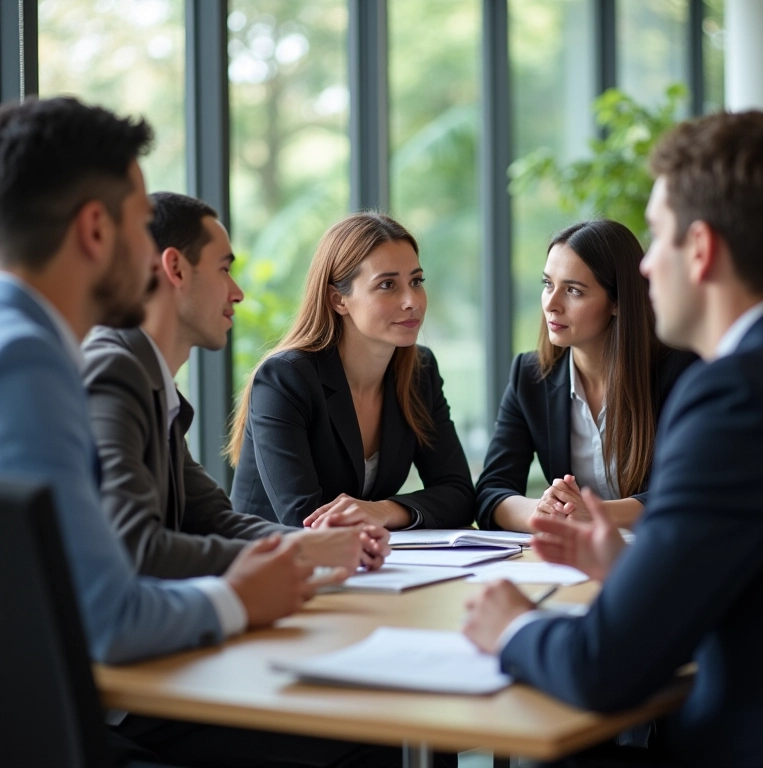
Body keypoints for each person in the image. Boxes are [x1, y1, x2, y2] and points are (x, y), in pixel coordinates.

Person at [0, 96, 405, 768]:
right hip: (76, 727)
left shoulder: (41, 350)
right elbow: (108, 613)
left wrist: (302, 550)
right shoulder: (31, 362)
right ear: (96, 230)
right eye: (140, 224)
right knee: (360, 736)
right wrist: (239, 598)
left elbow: (199, 519)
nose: (151, 254)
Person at [463, 109, 763, 768]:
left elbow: (601, 666)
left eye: (657, 237)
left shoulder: (733, 395)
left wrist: (512, 626)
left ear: (701, 249)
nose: (648, 267)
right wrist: (629, 566)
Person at [82, 191, 389, 579]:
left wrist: (318, 543)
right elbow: (136, 548)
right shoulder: (115, 372)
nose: (237, 293)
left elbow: (214, 519)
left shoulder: (151, 381)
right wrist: (304, 551)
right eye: (224, 269)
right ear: (176, 269)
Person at [227, 211, 475, 530]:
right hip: (268, 555)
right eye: (387, 285)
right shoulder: (285, 379)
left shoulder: (419, 372)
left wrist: (384, 510)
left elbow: (459, 494)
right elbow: (304, 520)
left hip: (362, 554)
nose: (411, 301)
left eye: (416, 281)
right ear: (338, 300)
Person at [476, 219, 694, 533]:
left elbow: (690, 490)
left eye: (573, 291)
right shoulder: (530, 376)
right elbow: (490, 492)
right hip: (578, 555)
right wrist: (543, 511)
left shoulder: (681, 372)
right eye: (548, 284)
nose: (551, 304)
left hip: (661, 551)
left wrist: (592, 512)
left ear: (617, 302)